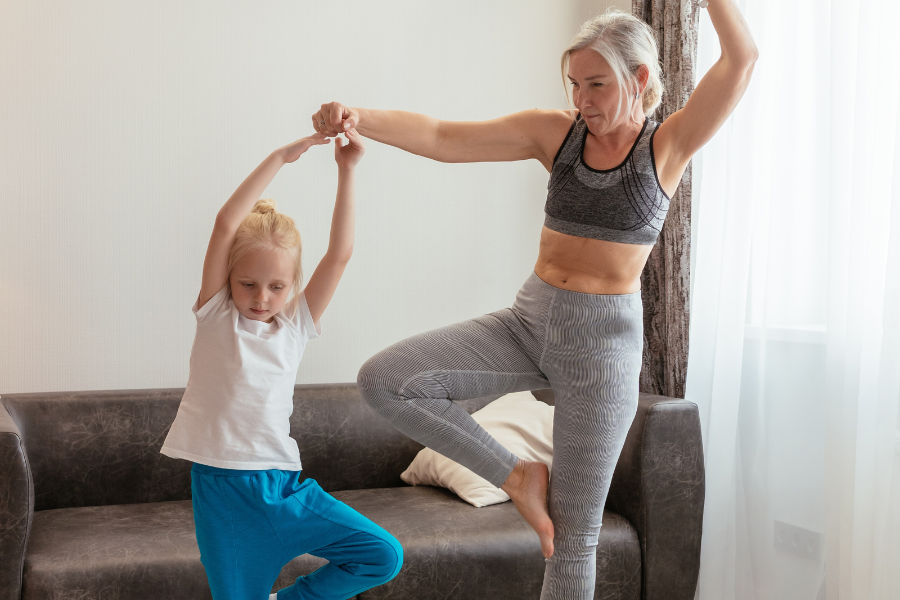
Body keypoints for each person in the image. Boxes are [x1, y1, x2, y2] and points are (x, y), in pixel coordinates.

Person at [313, 4, 755, 599]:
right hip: (529, 319)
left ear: (641, 78)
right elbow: (445, 138)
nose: (583, 101)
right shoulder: (557, 134)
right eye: (575, 84)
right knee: (386, 380)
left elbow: (741, 59)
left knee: (571, 542)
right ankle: (519, 475)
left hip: (601, 353)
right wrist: (359, 116)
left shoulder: (666, 146)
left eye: (596, 84)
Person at [159, 128, 403, 600]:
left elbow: (340, 254)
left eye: (276, 287)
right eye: (248, 283)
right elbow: (226, 223)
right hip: (222, 498)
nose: (260, 298)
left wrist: (347, 169)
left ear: (292, 286)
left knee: (382, 554)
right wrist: (280, 157)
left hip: (284, 489)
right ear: (228, 278)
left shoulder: (294, 326)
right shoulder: (215, 316)